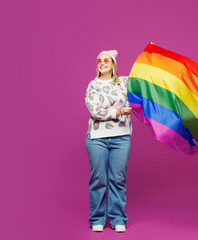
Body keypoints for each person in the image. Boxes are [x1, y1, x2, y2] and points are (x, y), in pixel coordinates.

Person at [85, 50, 133, 233]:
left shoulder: (125, 82)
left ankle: (117, 218)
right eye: (99, 60)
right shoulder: (93, 85)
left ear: (113, 64)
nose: (102, 63)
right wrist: (119, 112)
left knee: (118, 179)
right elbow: (96, 111)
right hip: (97, 138)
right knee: (98, 179)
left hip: (122, 137)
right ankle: (97, 218)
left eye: (106, 60)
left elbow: (144, 86)